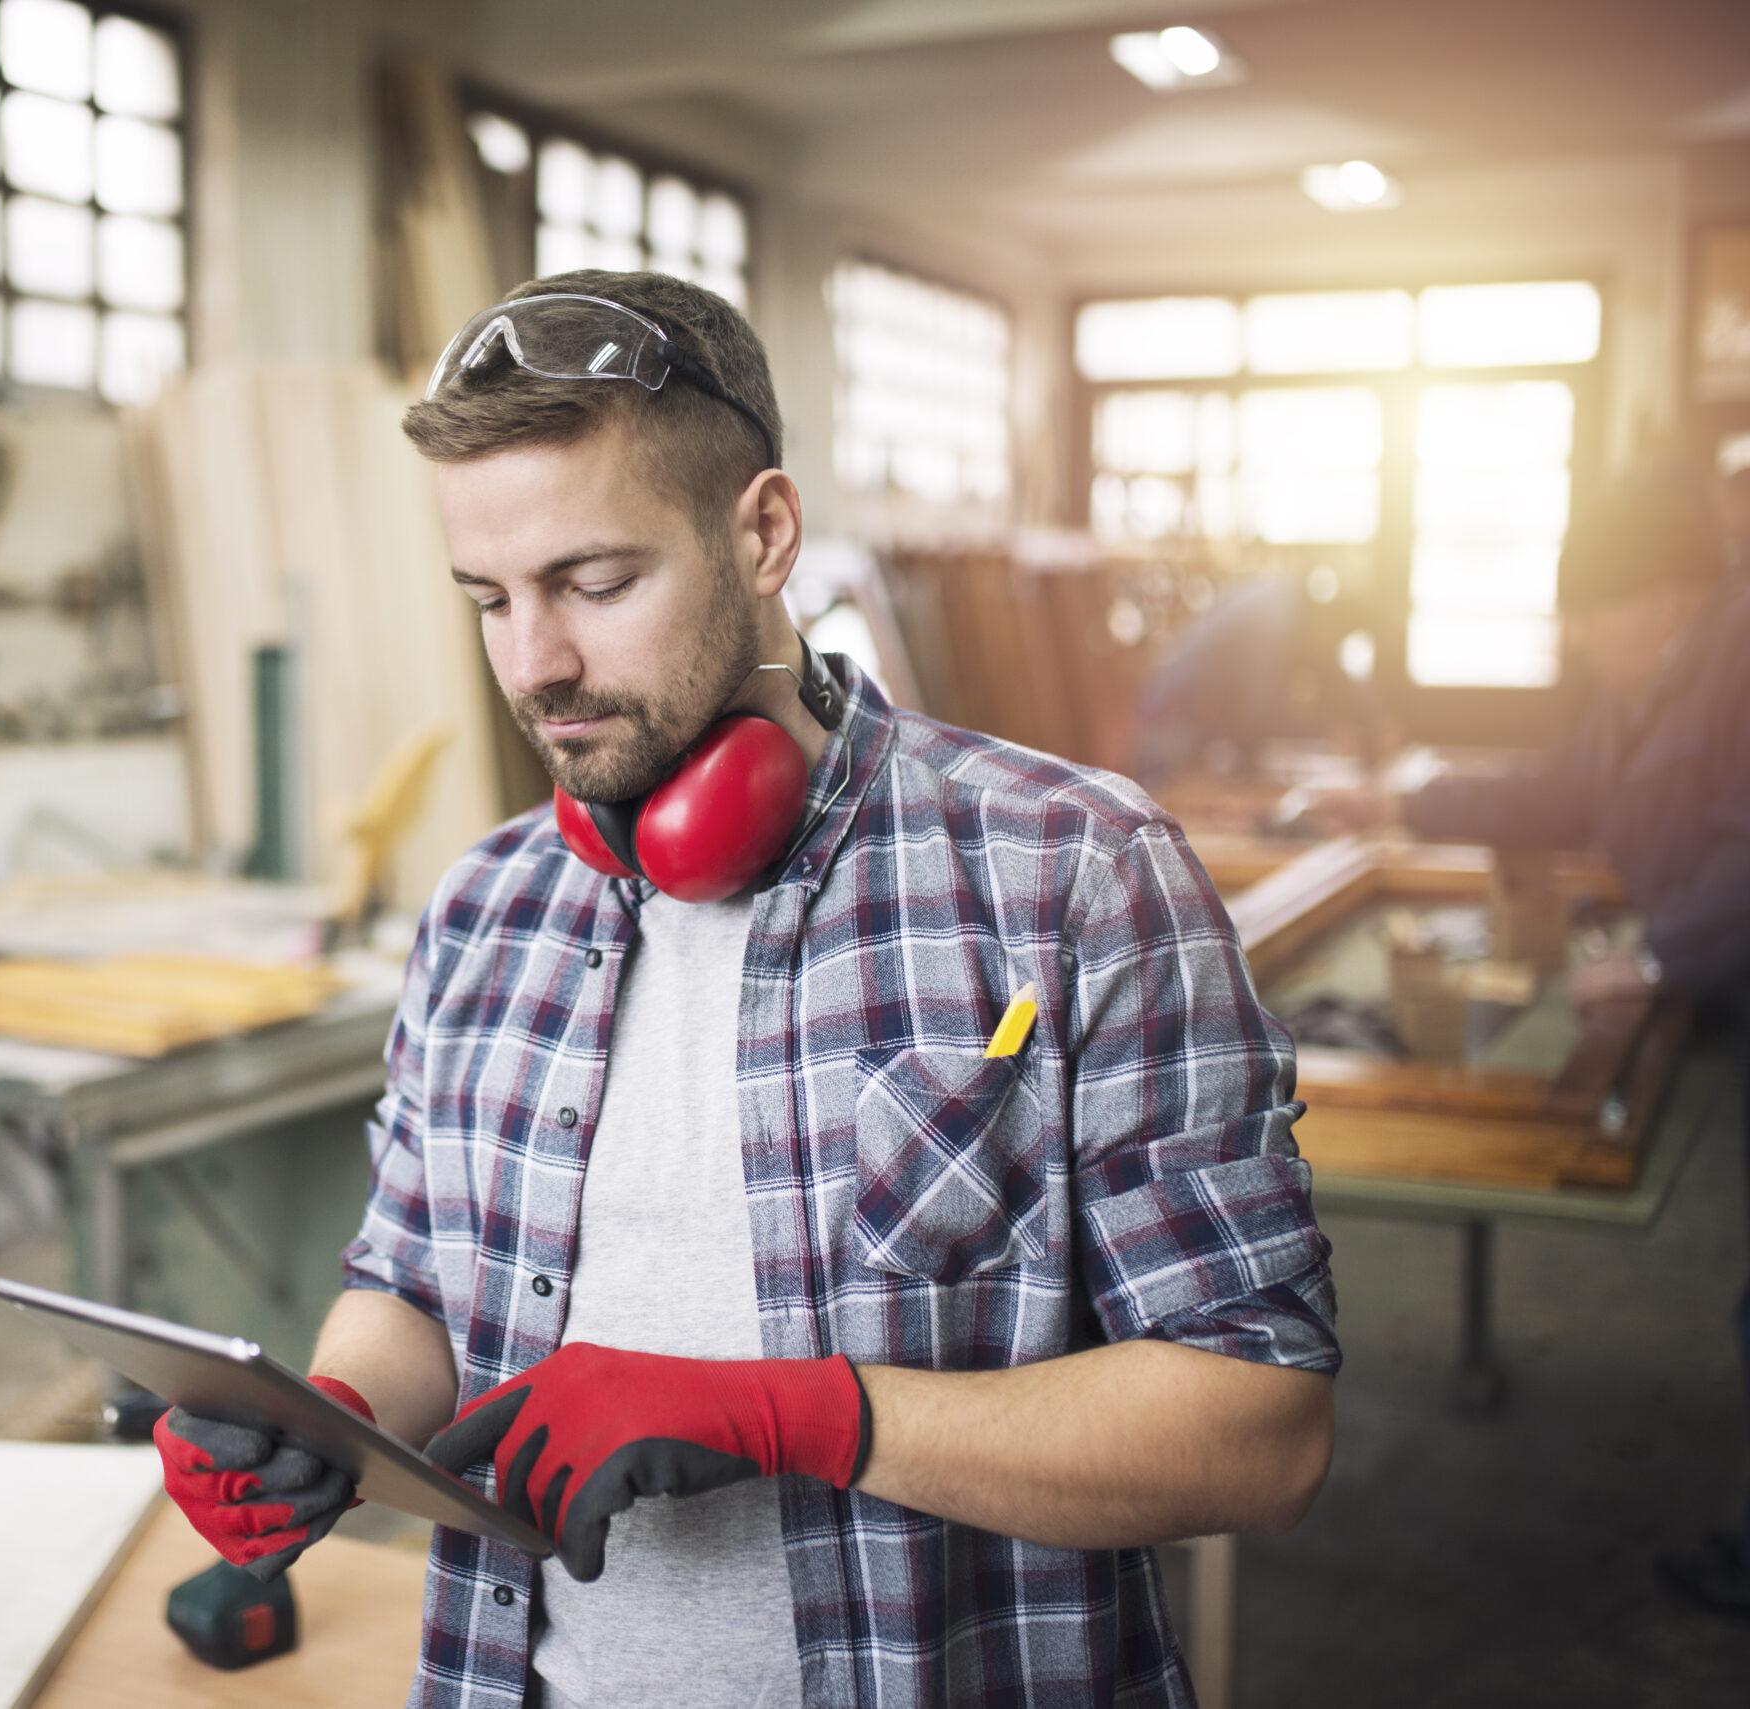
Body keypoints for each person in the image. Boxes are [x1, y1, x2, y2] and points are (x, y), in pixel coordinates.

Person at [154, 272, 1340, 1707]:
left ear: (763, 532)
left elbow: (1262, 1429)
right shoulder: (485, 911)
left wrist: (798, 1416)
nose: (536, 665)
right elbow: (408, 1287)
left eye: (596, 584)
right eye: (490, 599)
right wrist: (328, 1421)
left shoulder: (1071, 875)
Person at [1381, 473, 1750, 1614]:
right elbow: (1557, 788)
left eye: (1598, 611)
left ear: (1667, 596)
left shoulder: (1733, 669)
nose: (1583, 637)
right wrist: (1403, 802)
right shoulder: (1648, 686)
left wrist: (1653, 961)